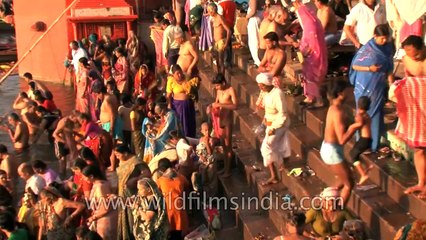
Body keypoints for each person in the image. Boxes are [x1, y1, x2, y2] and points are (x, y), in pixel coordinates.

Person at [390, 36, 426, 198]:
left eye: (416, 54)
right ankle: (421, 183)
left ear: (422, 48)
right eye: (409, 54)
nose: (413, 57)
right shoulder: (406, 59)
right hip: (416, 109)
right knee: (419, 150)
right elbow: (407, 80)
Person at [349, 24, 394, 153]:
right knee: (363, 113)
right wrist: (369, 68)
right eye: (381, 38)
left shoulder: (388, 48)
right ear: (375, 36)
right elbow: (356, 66)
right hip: (364, 84)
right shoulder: (367, 50)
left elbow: (389, 66)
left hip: (378, 85)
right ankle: (363, 144)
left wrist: (391, 82)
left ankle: (374, 144)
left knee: (377, 113)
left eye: (386, 38)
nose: (384, 41)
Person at [320, 80, 353, 206]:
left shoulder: (333, 107)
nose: (350, 93)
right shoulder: (338, 111)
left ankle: (327, 200)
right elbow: (342, 139)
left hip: (329, 148)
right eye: (347, 91)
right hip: (332, 151)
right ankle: (334, 212)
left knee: (343, 179)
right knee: (349, 185)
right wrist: (354, 127)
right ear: (341, 93)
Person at [256, 73, 291, 185]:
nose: (260, 87)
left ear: (265, 84)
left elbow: (283, 114)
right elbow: (267, 112)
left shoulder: (278, 94)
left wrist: (274, 128)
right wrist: (263, 124)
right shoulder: (266, 93)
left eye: (261, 85)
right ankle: (275, 173)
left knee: (266, 147)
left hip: (280, 124)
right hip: (270, 124)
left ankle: (278, 167)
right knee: (271, 147)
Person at [293, 0, 328, 107]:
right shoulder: (313, 21)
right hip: (314, 54)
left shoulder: (310, 24)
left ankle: (318, 100)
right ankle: (309, 97)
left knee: (312, 76)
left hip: (314, 55)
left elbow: (311, 42)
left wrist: (303, 48)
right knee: (308, 76)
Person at [115, 144, 150, 240]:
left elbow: (147, 173)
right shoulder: (122, 161)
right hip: (122, 193)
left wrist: (135, 179)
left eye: (118, 155)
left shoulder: (136, 162)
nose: (117, 157)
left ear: (126, 153)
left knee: (132, 218)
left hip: (133, 194)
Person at [210, 74, 237, 178]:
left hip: (228, 122)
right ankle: (225, 168)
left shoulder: (231, 90)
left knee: (228, 146)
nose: (216, 87)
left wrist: (221, 105)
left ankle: (228, 170)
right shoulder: (218, 91)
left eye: (217, 85)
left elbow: (235, 106)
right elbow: (215, 103)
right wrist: (210, 107)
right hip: (220, 120)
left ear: (223, 83)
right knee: (223, 147)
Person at [341, 96, 373, 185]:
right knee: (356, 154)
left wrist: (350, 127)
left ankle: (363, 174)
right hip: (369, 139)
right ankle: (367, 165)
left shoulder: (359, 115)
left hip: (364, 140)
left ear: (358, 106)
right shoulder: (367, 115)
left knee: (352, 155)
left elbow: (359, 124)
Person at [156, 158, 189, 239]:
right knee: (178, 232)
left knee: (170, 234)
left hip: (168, 210)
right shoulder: (181, 177)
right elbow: (187, 188)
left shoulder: (160, 181)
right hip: (180, 209)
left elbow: (157, 196)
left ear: (161, 170)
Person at [83, 165, 117, 240]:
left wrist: (93, 217)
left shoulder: (100, 187)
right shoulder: (103, 183)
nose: (84, 179)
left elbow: (105, 207)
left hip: (105, 220)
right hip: (106, 217)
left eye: (85, 177)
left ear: (91, 176)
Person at [166, 64, 198, 138]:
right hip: (178, 106)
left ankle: (191, 139)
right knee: (181, 123)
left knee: (190, 123)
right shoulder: (171, 81)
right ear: (173, 75)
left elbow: (194, 88)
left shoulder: (187, 78)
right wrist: (169, 104)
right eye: (177, 74)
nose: (180, 75)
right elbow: (168, 96)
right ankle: (183, 139)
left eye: (180, 72)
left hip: (188, 104)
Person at [208, 3, 231, 75]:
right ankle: (219, 75)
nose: (208, 13)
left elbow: (228, 31)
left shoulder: (220, 18)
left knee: (221, 61)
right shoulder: (213, 19)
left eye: (209, 11)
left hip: (221, 41)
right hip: (216, 42)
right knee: (217, 60)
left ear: (212, 11)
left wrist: (226, 43)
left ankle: (222, 78)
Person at [246, 0, 263, 66]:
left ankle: (258, 61)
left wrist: (246, 17)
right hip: (259, 16)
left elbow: (253, 11)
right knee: (258, 40)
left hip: (254, 18)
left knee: (254, 41)